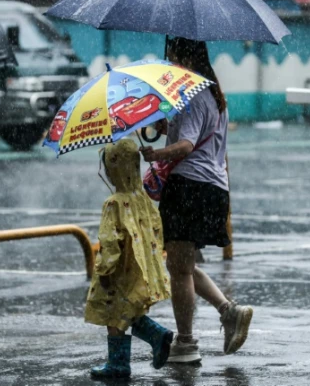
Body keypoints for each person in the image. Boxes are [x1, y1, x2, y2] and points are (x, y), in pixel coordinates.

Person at [141, 37, 253, 363]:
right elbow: (188, 133)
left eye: (172, 54)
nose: (169, 59)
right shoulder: (214, 93)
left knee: (178, 269)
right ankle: (229, 312)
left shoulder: (190, 94)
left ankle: (186, 344)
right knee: (182, 265)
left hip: (189, 186)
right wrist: (164, 125)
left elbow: (187, 145)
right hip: (212, 189)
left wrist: (155, 153)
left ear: (181, 54)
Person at [86, 139, 173, 379]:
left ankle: (119, 363)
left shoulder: (114, 203)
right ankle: (156, 335)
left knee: (114, 312)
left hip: (119, 269)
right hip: (139, 267)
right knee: (128, 308)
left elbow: (110, 241)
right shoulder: (143, 198)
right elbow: (156, 228)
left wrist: (105, 270)